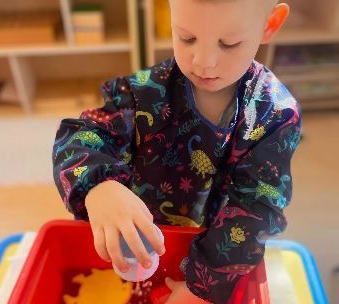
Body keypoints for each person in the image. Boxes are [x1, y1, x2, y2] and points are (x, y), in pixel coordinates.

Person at [52, 0, 302, 302]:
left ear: (269, 25)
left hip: (212, 251)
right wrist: (98, 187)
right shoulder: (143, 92)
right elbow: (80, 135)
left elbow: (259, 207)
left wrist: (203, 288)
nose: (204, 61)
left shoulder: (275, 116)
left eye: (228, 43)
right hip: (138, 236)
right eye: (187, 38)